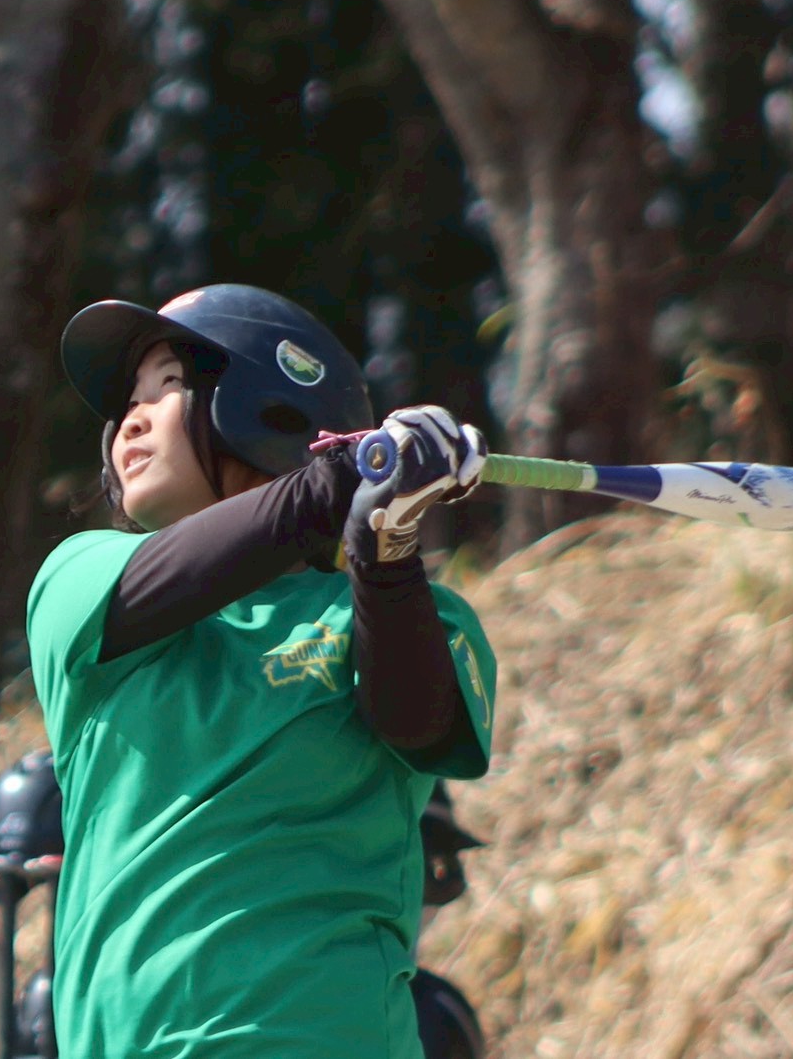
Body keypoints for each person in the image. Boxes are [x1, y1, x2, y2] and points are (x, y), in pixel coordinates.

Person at [25, 283, 498, 1058]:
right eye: (126, 404)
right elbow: (169, 577)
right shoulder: (79, 580)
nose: (130, 421)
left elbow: (417, 721)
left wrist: (383, 554)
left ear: (266, 408)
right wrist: (338, 482)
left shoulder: (406, 613)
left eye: (165, 387)